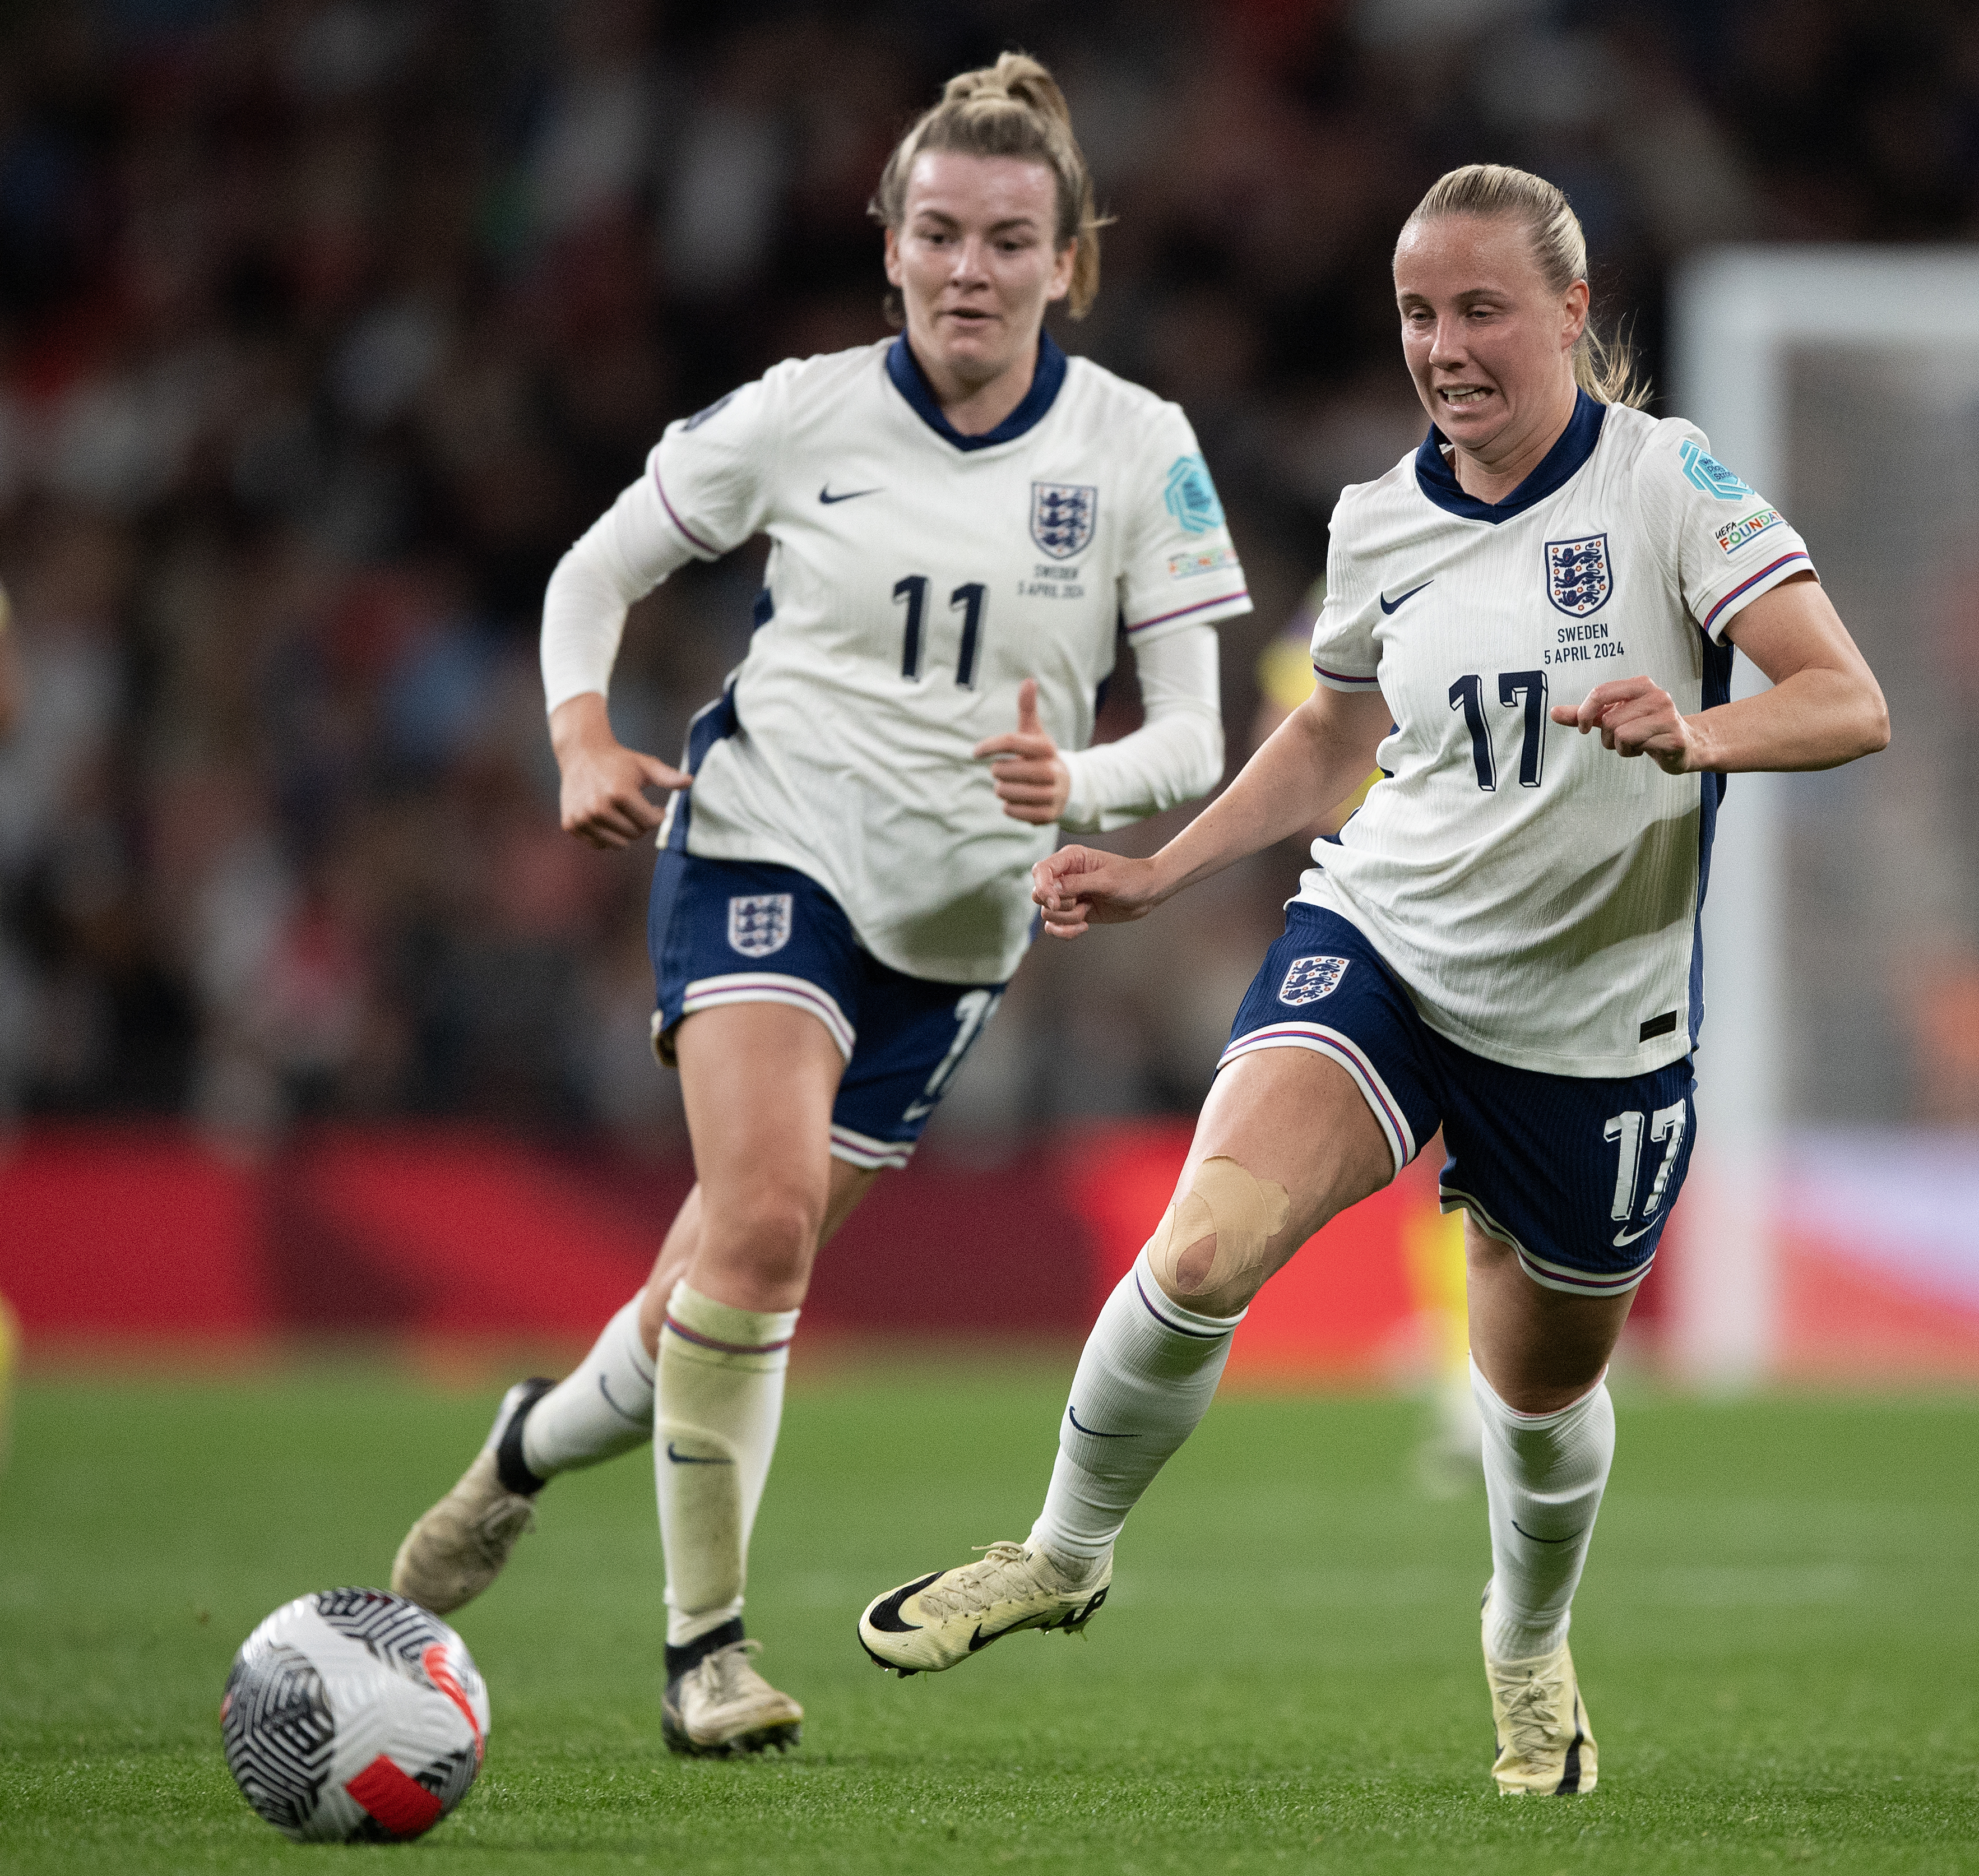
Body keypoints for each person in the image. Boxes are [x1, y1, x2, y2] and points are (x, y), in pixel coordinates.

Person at [855, 163, 1888, 1796]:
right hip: (1385, 943)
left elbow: (1844, 700)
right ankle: (1064, 1550)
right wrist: (1163, 864)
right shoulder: (1379, 517)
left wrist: (1700, 728)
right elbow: (1338, 732)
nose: (1443, 345)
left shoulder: (1668, 485)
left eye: (1480, 307)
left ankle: (1525, 1641)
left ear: (1567, 308)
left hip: (1591, 1024)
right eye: (1417, 311)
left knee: (1535, 1397)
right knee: (1201, 1244)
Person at [387, 53, 1252, 1758]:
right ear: (890, 248)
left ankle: (520, 1451)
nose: (970, 269)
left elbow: (1197, 737)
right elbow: (596, 569)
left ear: (1068, 262)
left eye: (1010, 241)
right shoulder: (802, 413)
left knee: (719, 1278)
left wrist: (1074, 786)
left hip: (952, 937)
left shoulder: (1141, 450)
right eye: (938, 233)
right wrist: (578, 735)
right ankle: (701, 1650)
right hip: (765, 844)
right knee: (765, 1223)